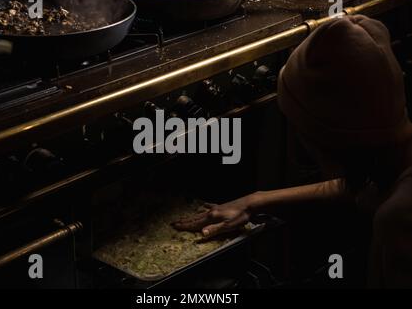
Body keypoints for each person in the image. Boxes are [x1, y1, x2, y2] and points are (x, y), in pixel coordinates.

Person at [173, 15, 412, 288]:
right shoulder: (395, 160)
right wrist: (255, 200)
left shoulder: (399, 221)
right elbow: (365, 186)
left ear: (326, 139)